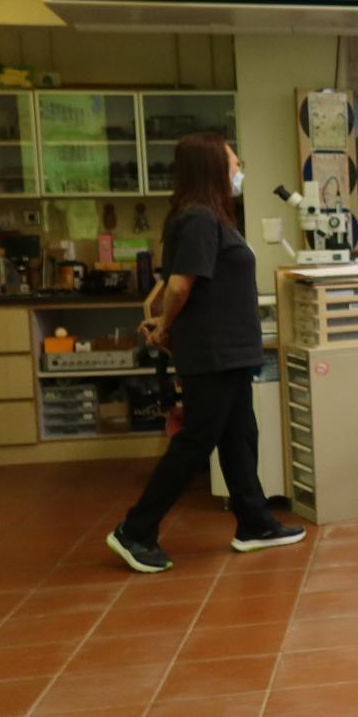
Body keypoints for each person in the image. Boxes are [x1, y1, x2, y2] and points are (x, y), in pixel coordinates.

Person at [108, 133, 304, 574]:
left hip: (231, 350)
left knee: (240, 435)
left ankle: (254, 523)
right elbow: (180, 285)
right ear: (211, 168)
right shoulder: (198, 217)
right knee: (197, 441)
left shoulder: (211, 216)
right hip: (214, 351)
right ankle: (135, 530)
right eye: (233, 163)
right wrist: (165, 323)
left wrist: (167, 323)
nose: (238, 171)